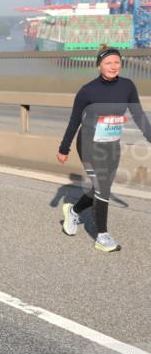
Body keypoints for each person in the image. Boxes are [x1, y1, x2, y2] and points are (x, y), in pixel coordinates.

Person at [57, 45, 151, 251]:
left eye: (117, 62)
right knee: (102, 189)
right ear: (99, 65)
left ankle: (73, 212)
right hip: (89, 145)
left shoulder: (127, 86)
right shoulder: (87, 91)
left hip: (111, 146)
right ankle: (102, 236)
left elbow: (139, 115)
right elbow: (74, 121)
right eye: (108, 62)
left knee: (101, 188)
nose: (113, 66)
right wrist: (64, 148)